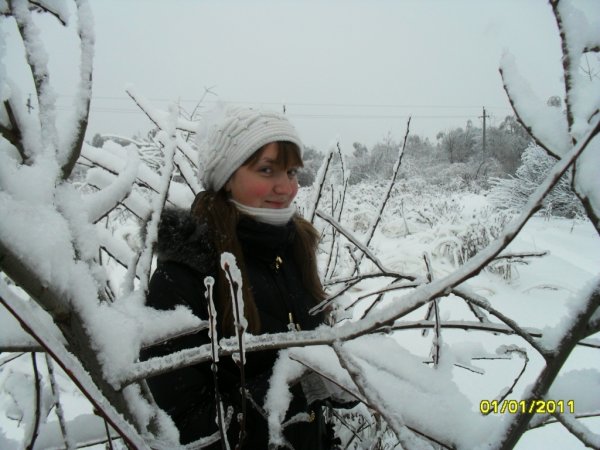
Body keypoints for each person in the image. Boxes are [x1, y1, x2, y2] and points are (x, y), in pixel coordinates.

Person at [141, 106, 337, 449]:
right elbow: (181, 428)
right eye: (266, 170)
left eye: (291, 172)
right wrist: (297, 388)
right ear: (226, 178)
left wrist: (342, 382)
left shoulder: (294, 252)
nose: (287, 188)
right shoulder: (183, 277)